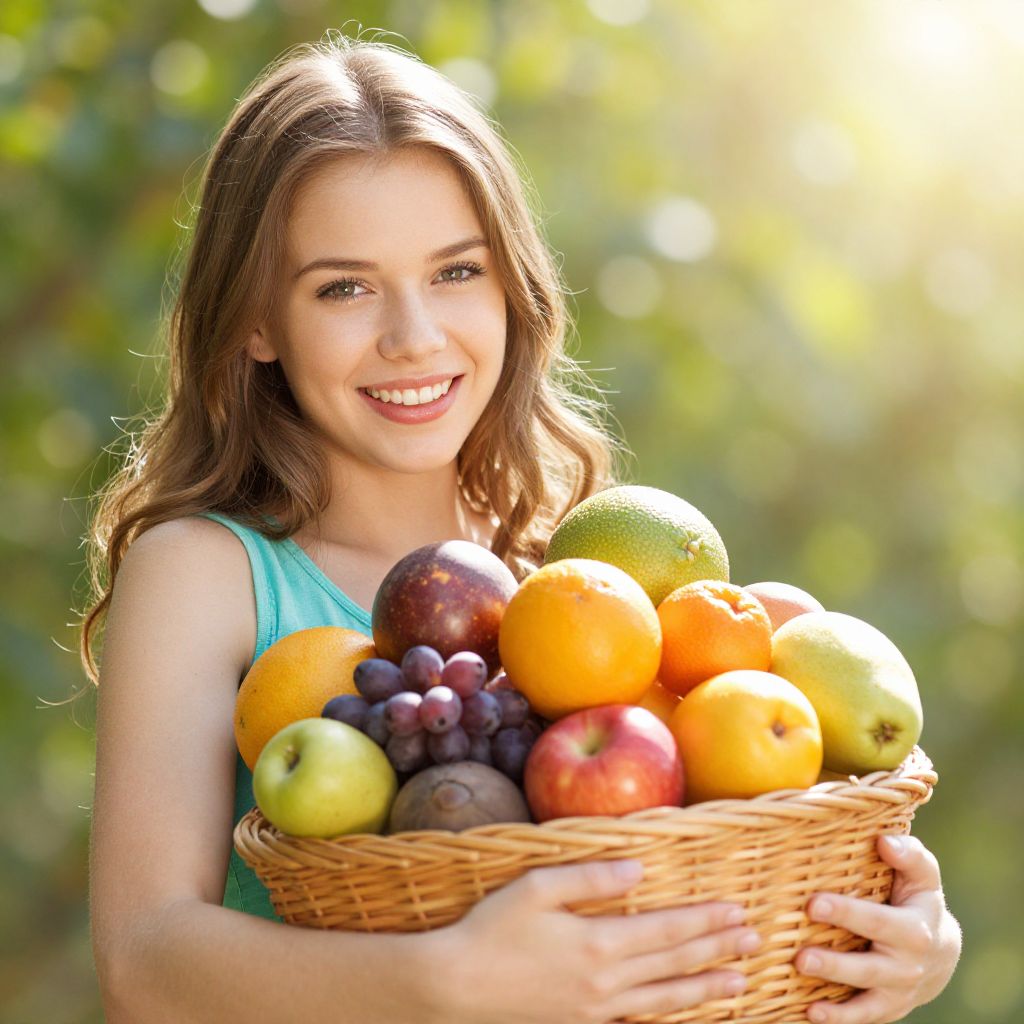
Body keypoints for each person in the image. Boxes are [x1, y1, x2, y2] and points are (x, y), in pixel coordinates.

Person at [81, 31, 961, 1024]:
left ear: (510, 288)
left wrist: (898, 933)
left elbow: (707, 844)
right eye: (344, 287)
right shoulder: (206, 572)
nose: (414, 336)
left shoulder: (574, 588)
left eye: (456, 272)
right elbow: (143, 962)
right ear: (255, 322)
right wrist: (448, 982)